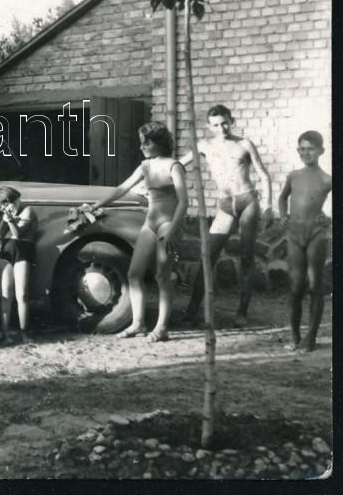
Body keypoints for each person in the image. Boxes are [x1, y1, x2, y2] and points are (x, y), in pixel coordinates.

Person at [85, 122, 188, 342]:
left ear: (158, 143)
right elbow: (122, 189)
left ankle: (162, 327)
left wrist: (173, 230)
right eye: (141, 143)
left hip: (168, 224)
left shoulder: (174, 166)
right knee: (133, 273)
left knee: (162, 276)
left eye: (146, 143)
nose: (141, 147)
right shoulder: (145, 166)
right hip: (150, 223)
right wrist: (96, 205)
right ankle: (138, 323)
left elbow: (183, 202)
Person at [180, 105, 274, 327]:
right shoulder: (204, 145)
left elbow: (264, 175)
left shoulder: (244, 144)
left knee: (247, 257)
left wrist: (269, 206)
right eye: (215, 125)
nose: (221, 128)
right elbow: (179, 164)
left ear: (232, 121)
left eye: (224, 123)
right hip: (225, 205)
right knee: (208, 256)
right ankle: (192, 309)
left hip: (247, 201)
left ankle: (242, 312)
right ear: (209, 126)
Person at [278, 131, 332, 353]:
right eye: (302, 148)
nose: (306, 152)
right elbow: (283, 197)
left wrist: (330, 218)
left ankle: (310, 338)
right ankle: (294, 336)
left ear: (321, 151)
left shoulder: (327, 179)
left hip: (316, 235)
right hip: (294, 235)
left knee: (315, 285)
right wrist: (283, 215)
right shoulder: (293, 175)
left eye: (311, 148)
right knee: (295, 287)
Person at [0, 186, 38, 344]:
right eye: (4, 204)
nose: (10, 206)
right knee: (6, 293)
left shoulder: (28, 210)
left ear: (16, 199)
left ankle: (24, 333)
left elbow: (18, 234)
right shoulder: (9, 212)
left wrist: (10, 220)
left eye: (11, 202)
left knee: (22, 294)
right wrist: (3, 217)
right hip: (8, 249)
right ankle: (5, 334)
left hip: (23, 250)